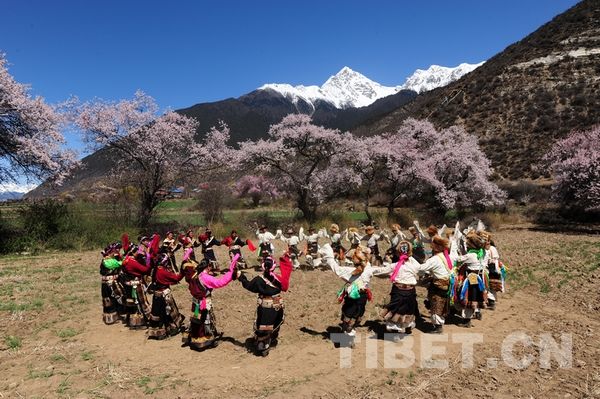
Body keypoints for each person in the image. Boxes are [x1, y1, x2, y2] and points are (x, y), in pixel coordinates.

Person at [319, 244, 388, 347]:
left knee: (349, 316)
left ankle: (347, 336)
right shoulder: (368, 270)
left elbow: (336, 268)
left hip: (354, 298)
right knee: (354, 317)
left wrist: (329, 257)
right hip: (360, 297)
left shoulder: (350, 271)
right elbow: (383, 270)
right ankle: (348, 334)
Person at [180, 249, 239, 351]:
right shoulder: (206, 277)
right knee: (204, 320)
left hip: (195, 302)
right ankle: (204, 341)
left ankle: (194, 338)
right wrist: (231, 272)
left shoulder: (194, 274)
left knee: (196, 318)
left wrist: (187, 256)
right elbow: (220, 282)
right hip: (203, 303)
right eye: (210, 266)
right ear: (208, 266)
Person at [237, 253, 293, 356]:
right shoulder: (278, 278)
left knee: (264, 325)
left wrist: (241, 277)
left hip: (265, 305)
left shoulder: (259, 279)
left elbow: (249, 286)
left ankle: (262, 345)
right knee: (275, 322)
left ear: (263, 266)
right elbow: (285, 287)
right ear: (273, 266)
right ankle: (271, 340)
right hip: (277, 304)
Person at [375, 240, 421, 334]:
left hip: (399, 291)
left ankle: (399, 329)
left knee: (397, 311)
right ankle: (407, 327)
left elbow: (380, 271)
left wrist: (370, 270)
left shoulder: (394, 266)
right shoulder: (414, 265)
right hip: (409, 291)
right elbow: (421, 269)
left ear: (397, 252)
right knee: (408, 310)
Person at [419, 235, 453, 333]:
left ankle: (438, 327)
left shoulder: (434, 259)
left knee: (436, 303)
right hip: (446, 284)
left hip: (438, 285)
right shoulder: (446, 257)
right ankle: (439, 324)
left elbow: (421, 268)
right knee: (442, 303)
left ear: (436, 247)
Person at [147, 253, 185, 340]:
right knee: (168, 312)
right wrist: (182, 271)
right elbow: (177, 278)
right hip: (164, 295)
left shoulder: (155, 269)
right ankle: (172, 329)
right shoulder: (163, 272)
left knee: (157, 313)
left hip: (156, 295)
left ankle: (158, 332)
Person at [454, 231, 488, 326]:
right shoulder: (480, 254)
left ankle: (467, 321)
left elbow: (457, 259)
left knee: (468, 296)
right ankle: (474, 314)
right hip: (478, 278)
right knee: (474, 296)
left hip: (472, 278)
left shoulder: (470, 255)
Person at [120, 242, 153, 329]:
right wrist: (148, 259)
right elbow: (145, 270)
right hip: (136, 285)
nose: (138, 254)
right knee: (141, 303)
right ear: (133, 252)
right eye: (137, 252)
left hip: (129, 285)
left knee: (133, 303)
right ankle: (141, 322)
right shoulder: (132, 262)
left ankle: (132, 322)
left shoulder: (126, 260)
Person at [99, 242, 126, 325]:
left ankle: (118, 314)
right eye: (116, 249)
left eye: (119, 249)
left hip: (114, 281)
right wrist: (123, 259)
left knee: (115, 299)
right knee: (109, 300)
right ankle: (110, 319)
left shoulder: (114, 258)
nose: (118, 251)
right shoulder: (107, 261)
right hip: (108, 283)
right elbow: (120, 264)